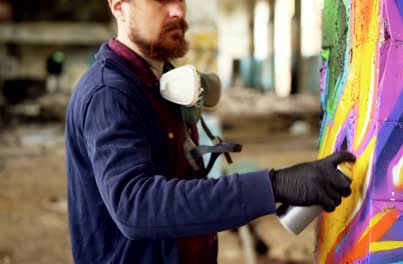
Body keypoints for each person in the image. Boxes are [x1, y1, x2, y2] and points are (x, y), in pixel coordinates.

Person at [65, 0, 356, 263]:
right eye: (161, 1)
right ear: (118, 5)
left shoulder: (160, 83)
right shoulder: (110, 94)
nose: (178, 11)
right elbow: (135, 206)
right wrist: (274, 185)